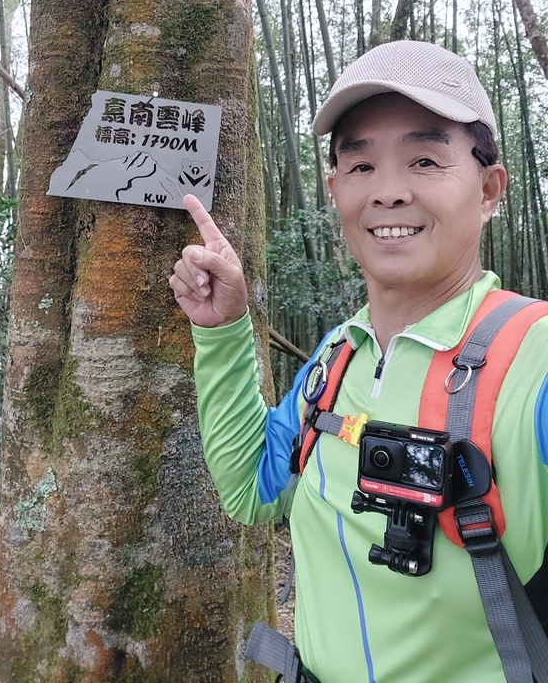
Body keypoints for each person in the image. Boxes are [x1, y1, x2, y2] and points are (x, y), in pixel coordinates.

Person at [169, 40, 548, 683]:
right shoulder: (338, 356)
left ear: (489, 190)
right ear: (334, 187)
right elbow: (252, 487)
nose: (389, 192)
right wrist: (225, 330)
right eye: (362, 165)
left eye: (425, 160)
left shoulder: (533, 361)